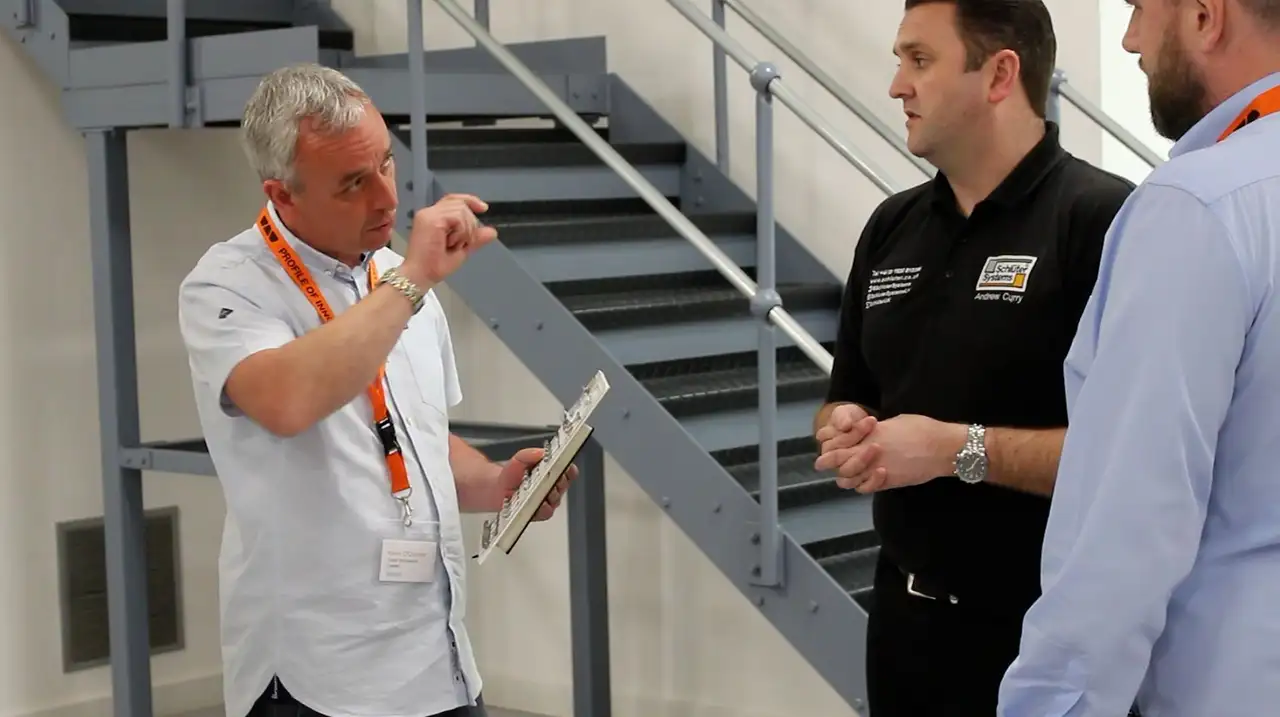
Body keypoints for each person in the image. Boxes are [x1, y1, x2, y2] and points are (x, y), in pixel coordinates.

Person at [177, 63, 576, 717]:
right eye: (353, 184)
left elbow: (416, 431)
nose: (387, 201)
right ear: (283, 194)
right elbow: (287, 400)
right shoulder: (228, 284)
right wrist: (414, 280)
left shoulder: (393, 277)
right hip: (318, 678)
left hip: (437, 663)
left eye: (386, 165)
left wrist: (498, 483)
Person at [811, 1, 1135, 714]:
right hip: (904, 626)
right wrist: (845, 428)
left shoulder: (1101, 221)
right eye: (899, 60)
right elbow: (846, 391)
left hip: (1047, 636)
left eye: (919, 60)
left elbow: (1130, 462)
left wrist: (956, 449)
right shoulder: (891, 226)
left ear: (999, 75)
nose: (897, 85)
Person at [997, 0, 1280, 713]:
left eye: (1139, 9)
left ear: (1206, 16)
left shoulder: (1202, 208)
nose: (1128, 40)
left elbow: (1127, 527)